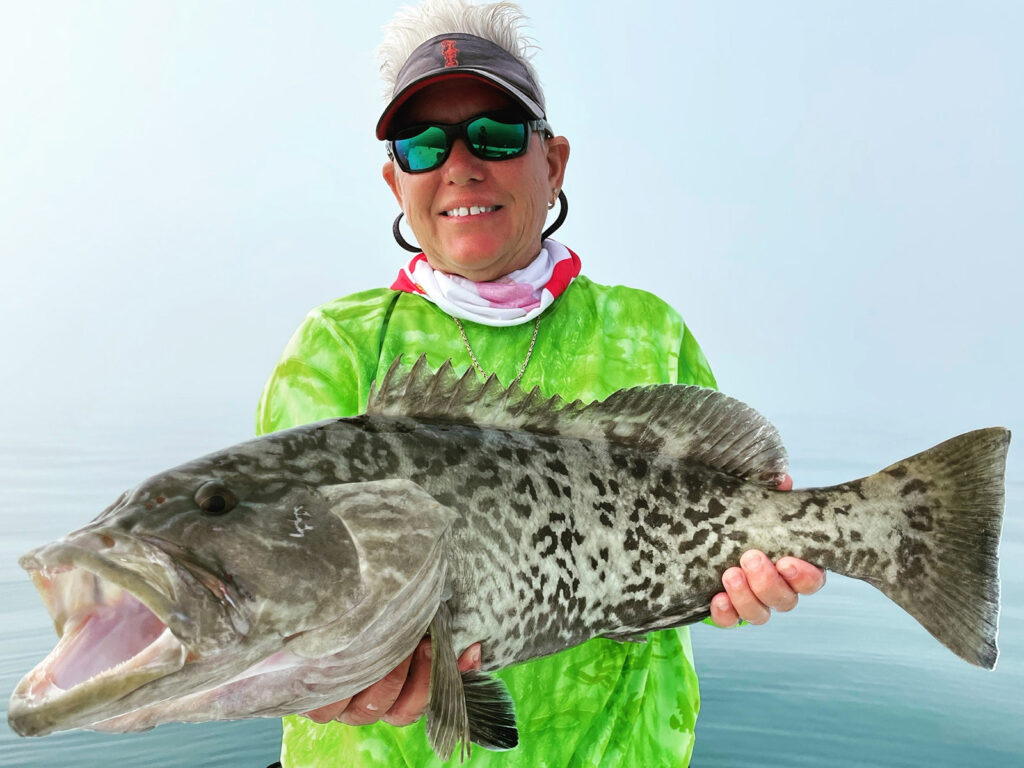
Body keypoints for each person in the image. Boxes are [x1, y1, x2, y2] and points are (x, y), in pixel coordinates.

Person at [256, 1, 825, 765]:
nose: (460, 164)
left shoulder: (647, 329)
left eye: (492, 133)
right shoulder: (338, 344)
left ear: (552, 162)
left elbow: (730, 511)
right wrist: (313, 674)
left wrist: (752, 571)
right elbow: (288, 566)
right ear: (397, 181)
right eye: (422, 145)